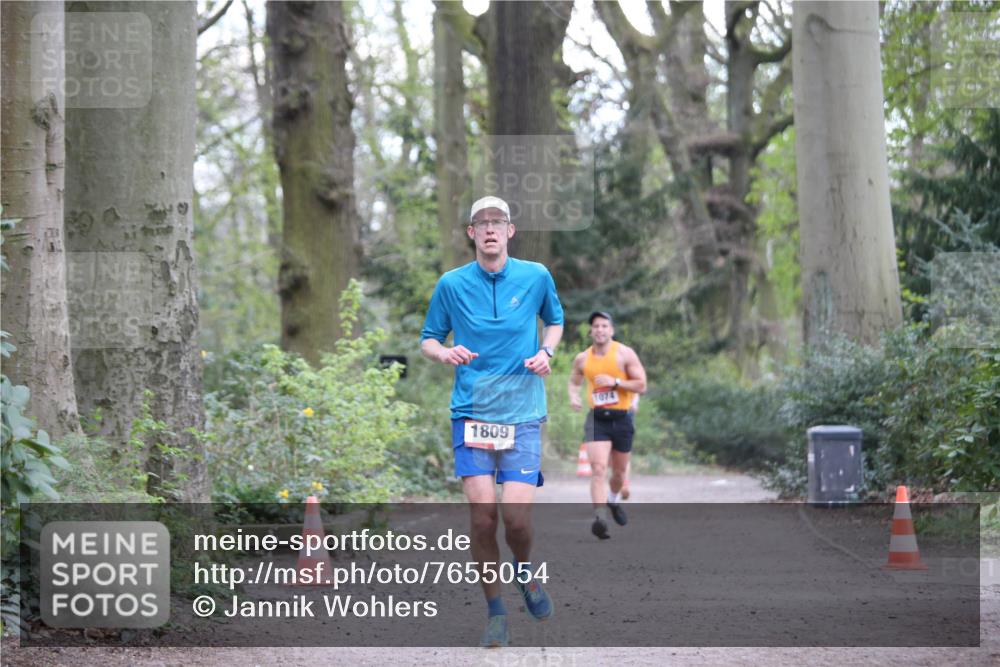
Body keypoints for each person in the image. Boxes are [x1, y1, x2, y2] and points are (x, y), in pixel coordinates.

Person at [420, 195, 564, 648]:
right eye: (480, 223)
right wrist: (444, 352)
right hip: (471, 412)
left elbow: (555, 322)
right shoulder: (451, 284)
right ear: (470, 233)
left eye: (496, 222)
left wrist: (546, 352)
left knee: (516, 521)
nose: (489, 229)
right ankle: (496, 610)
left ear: (509, 230)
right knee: (483, 519)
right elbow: (428, 338)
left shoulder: (536, 276)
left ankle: (524, 572)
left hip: (521, 412)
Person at [568, 311, 647, 540]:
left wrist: (616, 382)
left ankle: (612, 501)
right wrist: (574, 396)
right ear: (591, 331)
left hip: (622, 417)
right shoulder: (583, 358)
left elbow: (641, 385)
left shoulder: (624, 354)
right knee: (599, 469)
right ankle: (600, 517)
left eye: (604, 326)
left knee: (619, 473)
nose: (600, 330)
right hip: (597, 419)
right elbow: (574, 382)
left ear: (611, 330)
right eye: (596, 326)